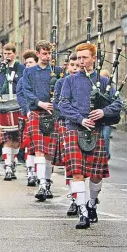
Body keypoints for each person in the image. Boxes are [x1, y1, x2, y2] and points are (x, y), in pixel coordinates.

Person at [59, 43, 122, 229]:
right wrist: (80, 118)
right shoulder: (69, 81)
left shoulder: (104, 82)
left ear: (94, 58)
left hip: (96, 130)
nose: (81, 61)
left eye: (85, 57)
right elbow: (63, 104)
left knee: (95, 175)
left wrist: (103, 112)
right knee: (77, 173)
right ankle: (83, 213)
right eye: (79, 58)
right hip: (74, 129)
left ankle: (92, 203)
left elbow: (118, 104)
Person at [20, 40, 61, 201]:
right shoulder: (29, 72)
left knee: (49, 151)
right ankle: (42, 184)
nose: (47, 56)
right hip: (37, 111)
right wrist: (40, 103)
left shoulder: (57, 71)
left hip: (52, 113)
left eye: (49, 53)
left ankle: (48, 183)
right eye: (44, 53)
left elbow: (62, 89)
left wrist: (54, 103)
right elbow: (27, 91)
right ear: (37, 54)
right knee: (39, 149)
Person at [53, 53, 80, 216]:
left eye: (77, 65)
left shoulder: (87, 81)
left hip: (86, 127)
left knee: (86, 167)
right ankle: (74, 199)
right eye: (72, 65)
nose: (75, 68)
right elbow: (57, 104)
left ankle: (86, 199)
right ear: (67, 66)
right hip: (66, 124)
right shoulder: (61, 83)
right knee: (71, 163)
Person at [0, 42, 26, 180]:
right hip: (3, 105)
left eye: (9, 53)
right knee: (6, 137)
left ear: (15, 54)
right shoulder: (0, 69)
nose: (6, 56)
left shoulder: (21, 68)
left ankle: (12, 163)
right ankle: (7, 167)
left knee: (17, 137)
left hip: (18, 105)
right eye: (4, 54)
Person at [17, 50, 39, 186]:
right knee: (30, 145)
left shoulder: (42, 77)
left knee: (41, 147)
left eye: (30, 62)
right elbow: (20, 95)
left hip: (43, 114)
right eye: (26, 63)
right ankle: (31, 173)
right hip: (29, 115)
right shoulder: (23, 79)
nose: (28, 65)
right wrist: (27, 110)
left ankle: (40, 175)